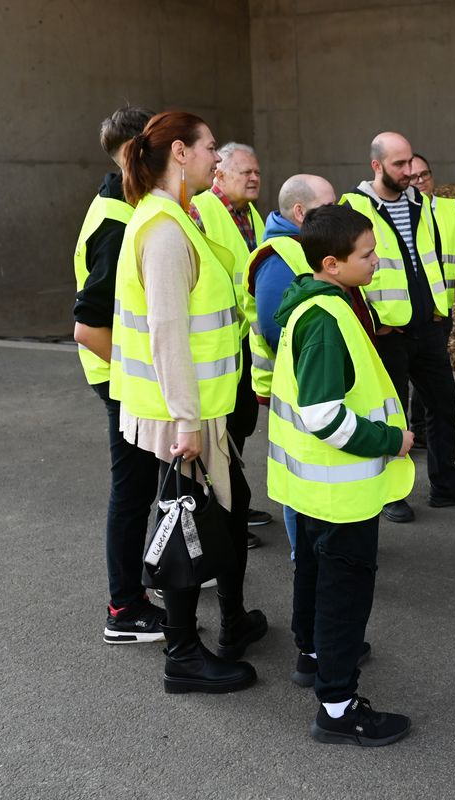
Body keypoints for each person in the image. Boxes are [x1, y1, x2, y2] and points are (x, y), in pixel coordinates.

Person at [112, 111, 267, 694]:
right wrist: (187, 422)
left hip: (200, 406)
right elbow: (168, 332)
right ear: (180, 152)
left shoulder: (175, 218)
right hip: (185, 412)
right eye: (209, 149)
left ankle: (226, 625)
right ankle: (183, 652)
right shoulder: (165, 228)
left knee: (212, 512)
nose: (216, 160)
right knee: (187, 518)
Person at [268, 203, 415, 746]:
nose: (377, 262)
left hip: (310, 487)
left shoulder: (311, 305)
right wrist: (392, 440)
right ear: (332, 263)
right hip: (340, 490)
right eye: (368, 254)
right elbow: (323, 415)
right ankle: (337, 706)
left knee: (312, 571)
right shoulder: (327, 321)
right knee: (344, 591)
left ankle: (314, 655)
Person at [340, 132, 455, 523]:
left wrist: (445, 309)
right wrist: (372, 324)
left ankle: (445, 484)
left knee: (444, 407)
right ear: (376, 166)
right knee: (390, 417)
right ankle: (392, 493)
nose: (410, 172)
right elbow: (344, 274)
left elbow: (437, 259)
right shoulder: (354, 208)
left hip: (428, 329)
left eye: (411, 163)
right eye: (399, 165)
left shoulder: (425, 205)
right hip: (387, 335)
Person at [73, 104, 167, 644]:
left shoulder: (125, 206)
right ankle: (124, 609)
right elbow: (88, 328)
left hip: (126, 376)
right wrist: (141, 381)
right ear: (141, 151)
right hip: (119, 379)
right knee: (131, 492)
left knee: (140, 488)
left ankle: (149, 580)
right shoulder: (117, 222)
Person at [242, 173, 338, 558]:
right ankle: (305, 556)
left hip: (303, 381)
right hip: (295, 384)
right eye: (328, 206)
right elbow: (272, 325)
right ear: (300, 212)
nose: (337, 212)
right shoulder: (280, 257)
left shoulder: (302, 245)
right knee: (301, 475)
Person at [190, 142, 272, 542]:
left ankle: (236, 506)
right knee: (217, 438)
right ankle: (221, 522)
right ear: (219, 174)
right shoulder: (200, 211)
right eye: (245, 173)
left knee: (239, 428)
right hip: (216, 344)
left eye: (257, 172)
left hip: (243, 340)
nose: (255, 178)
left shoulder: (252, 214)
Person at [405, 153, 455, 448]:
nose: (421, 181)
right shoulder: (399, 211)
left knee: (431, 378)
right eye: (413, 177)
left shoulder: (448, 209)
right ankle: (408, 433)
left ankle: (423, 432)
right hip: (402, 309)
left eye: (425, 174)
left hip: (439, 309)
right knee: (401, 377)